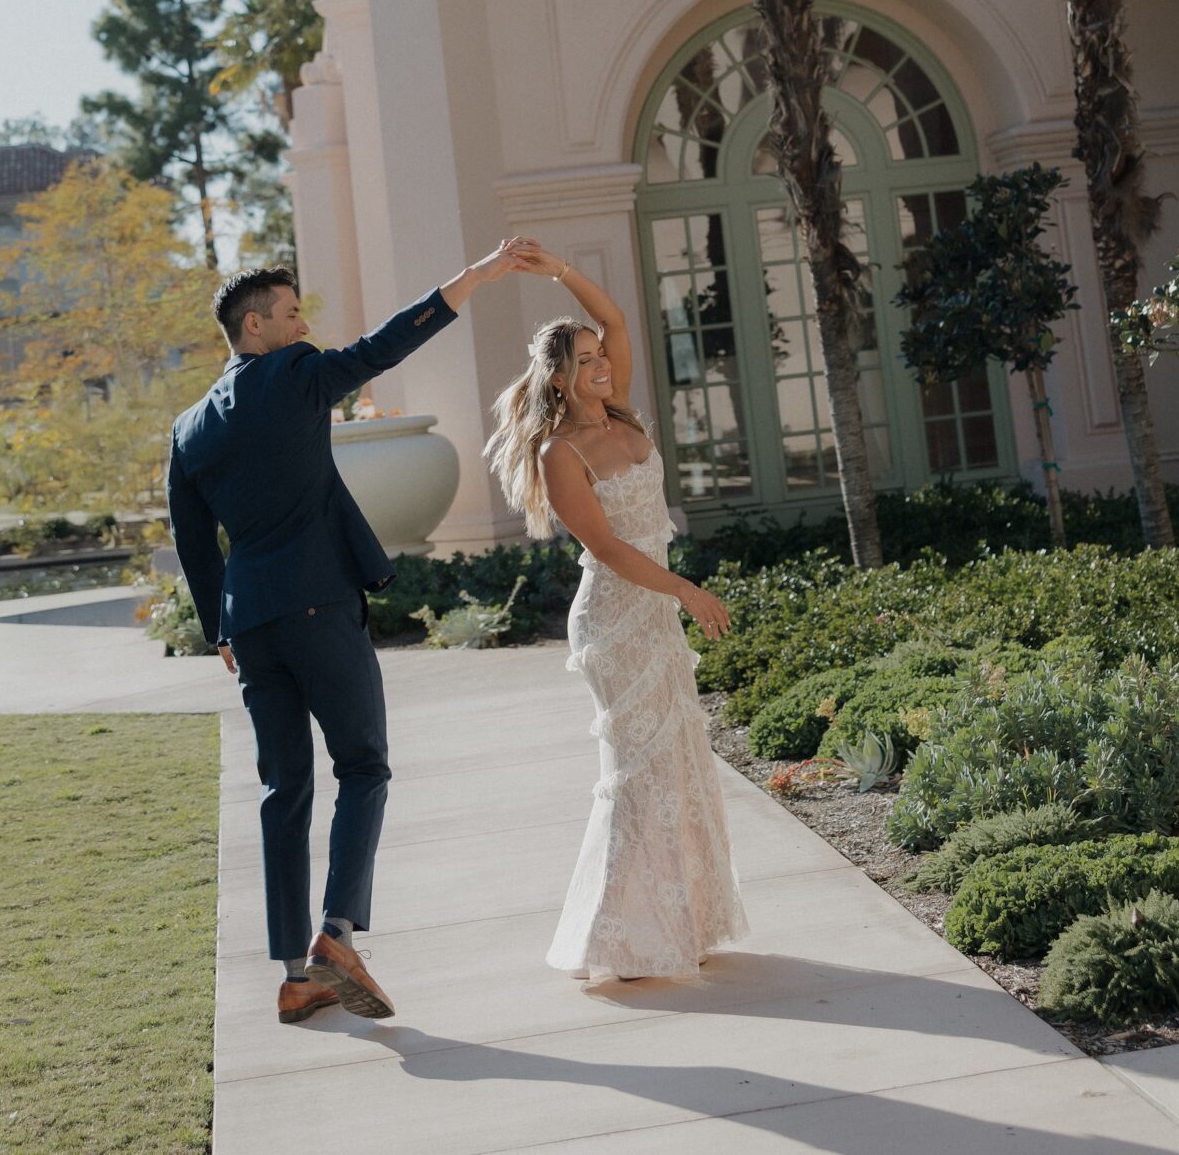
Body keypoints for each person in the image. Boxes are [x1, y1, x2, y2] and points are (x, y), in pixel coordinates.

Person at [167, 244, 530, 1027]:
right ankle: (336, 933)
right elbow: (384, 345)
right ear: (255, 325)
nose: (304, 325)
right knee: (363, 765)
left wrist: (218, 628)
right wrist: (472, 278)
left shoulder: (189, 427)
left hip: (250, 624)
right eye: (292, 313)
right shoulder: (295, 375)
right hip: (319, 607)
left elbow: (194, 544)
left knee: (283, 790)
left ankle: (295, 977)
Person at [485, 249, 747, 983]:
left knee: (678, 764)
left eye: (600, 356)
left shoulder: (622, 410)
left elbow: (617, 320)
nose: (602, 364)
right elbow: (603, 548)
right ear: (558, 379)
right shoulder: (560, 452)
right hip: (614, 619)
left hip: (654, 609)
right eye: (586, 360)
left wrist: (560, 270)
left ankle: (679, 924)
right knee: (639, 772)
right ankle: (621, 939)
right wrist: (685, 589)